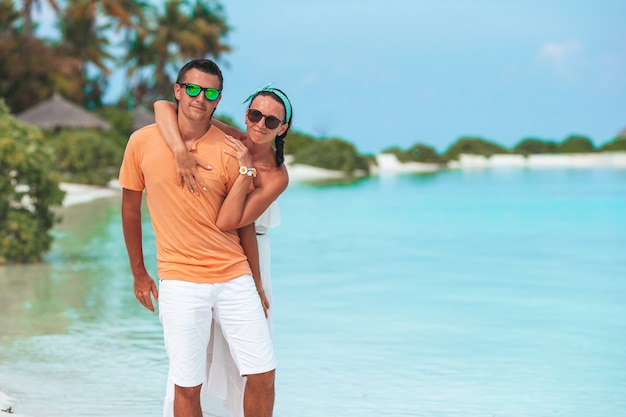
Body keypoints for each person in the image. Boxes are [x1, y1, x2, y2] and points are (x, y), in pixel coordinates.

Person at [119, 59, 276, 417]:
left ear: (218, 100)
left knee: (263, 374)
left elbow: (242, 225)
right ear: (177, 91)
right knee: (187, 386)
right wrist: (138, 272)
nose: (199, 98)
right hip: (179, 280)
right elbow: (130, 209)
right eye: (191, 89)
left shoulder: (231, 150)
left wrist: (256, 282)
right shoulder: (141, 142)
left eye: (209, 93)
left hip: (233, 275)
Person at [153, 82, 293, 417]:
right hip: (210, 253)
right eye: (255, 114)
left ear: (282, 128)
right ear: (246, 114)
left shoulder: (276, 175)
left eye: (270, 121)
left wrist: (245, 170)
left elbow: (231, 220)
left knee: (254, 360)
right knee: (195, 358)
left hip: (251, 254)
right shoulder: (230, 138)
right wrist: (179, 151)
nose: (260, 124)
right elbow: (162, 107)